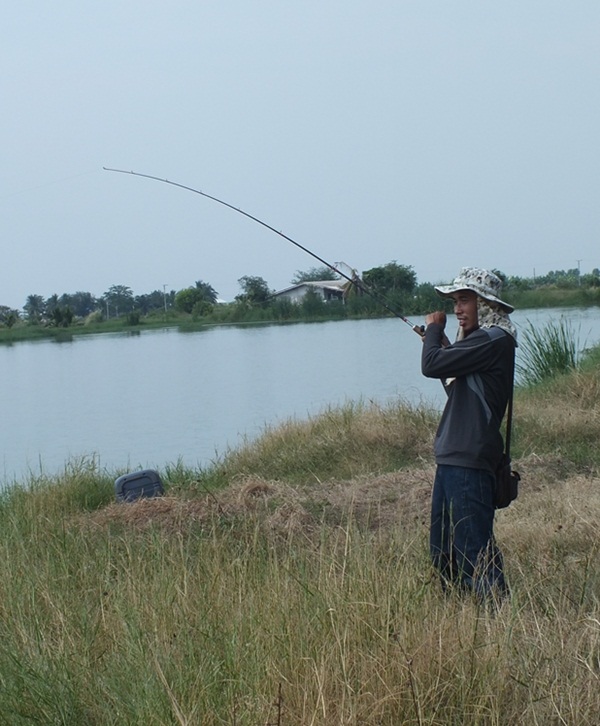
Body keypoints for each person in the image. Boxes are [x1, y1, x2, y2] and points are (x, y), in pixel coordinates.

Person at [421, 267, 517, 601]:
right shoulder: (481, 342)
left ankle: (498, 617)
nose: (457, 310)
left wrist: (434, 332)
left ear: (486, 303)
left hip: (469, 460)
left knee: (475, 549)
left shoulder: (493, 339)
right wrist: (446, 348)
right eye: (455, 302)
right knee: (444, 551)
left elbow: (431, 365)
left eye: (465, 300)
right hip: (454, 457)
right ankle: (463, 615)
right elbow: (459, 389)